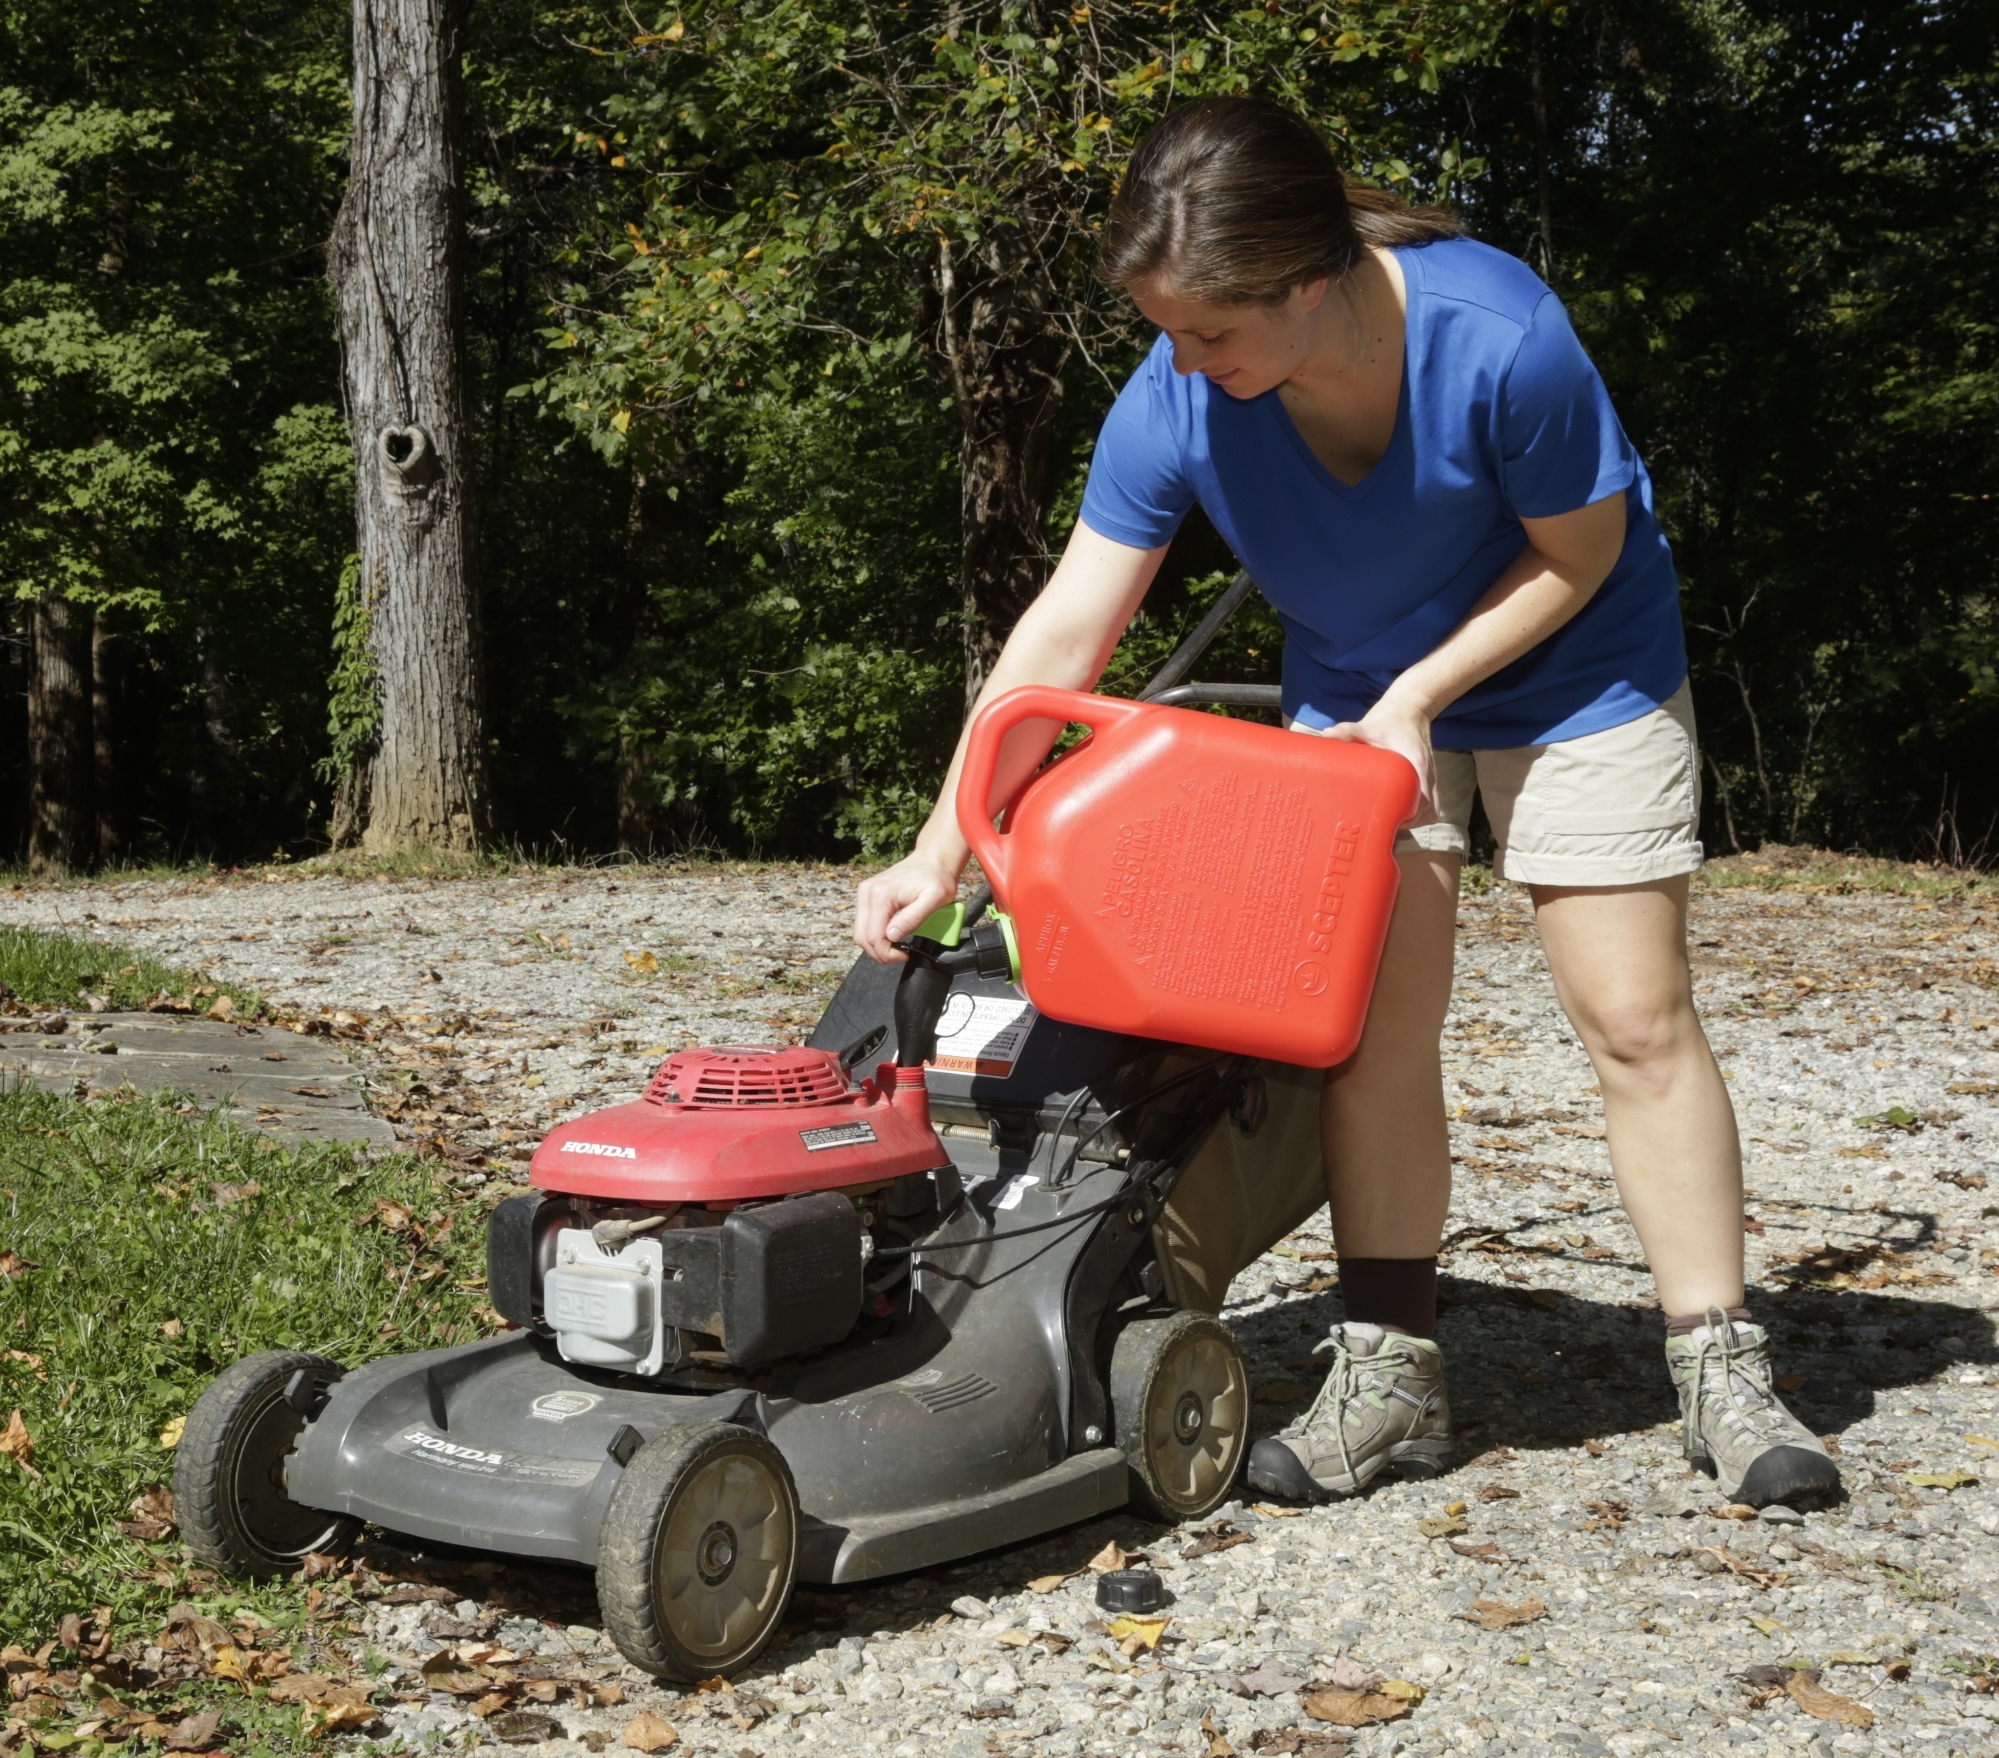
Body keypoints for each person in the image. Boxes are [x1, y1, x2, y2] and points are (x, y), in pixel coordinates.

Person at [852, 96, 1838, 1510]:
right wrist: (944, 841)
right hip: (1363, 693)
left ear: (1309, 281)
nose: (1181, 360)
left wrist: (1426, 690)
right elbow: (1065, 632)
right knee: (1369, 1026)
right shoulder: (1182, 391)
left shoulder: (1500, 339)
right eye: (1170, 332)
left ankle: (1719, 1364)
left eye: (1209, 331)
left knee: (1631, 1012)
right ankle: (1391, 1374)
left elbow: (1580, 551)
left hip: (1578, 670)